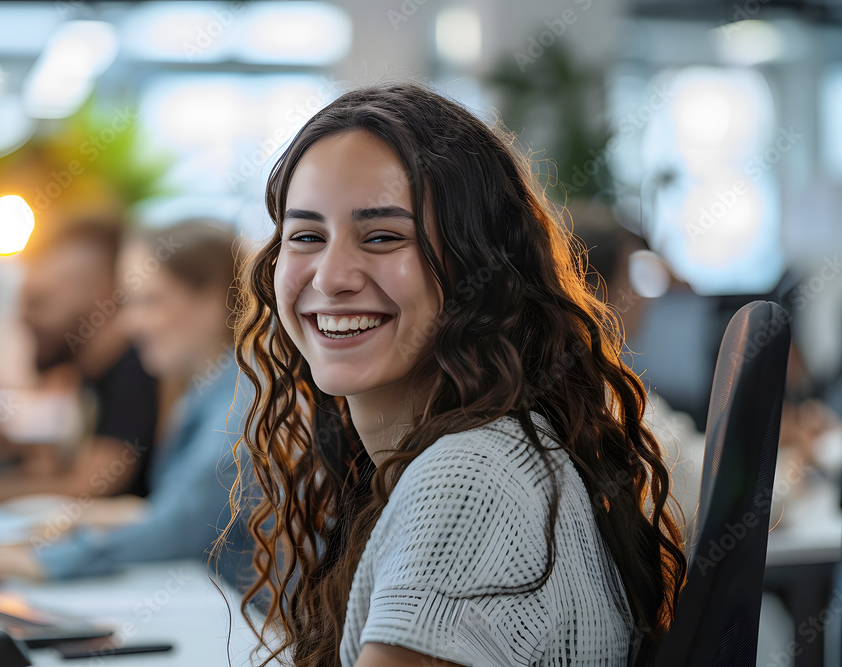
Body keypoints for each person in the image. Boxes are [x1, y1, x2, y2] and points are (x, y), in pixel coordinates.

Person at [229, 83, 687, 667]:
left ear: (480, 266)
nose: (332, 275)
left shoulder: (466, 484)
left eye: (383, 237)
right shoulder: (494, 452)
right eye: (306, 237)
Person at [0, 220, 254, 586]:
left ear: (212, 299)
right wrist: (83, 520)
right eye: (129, 303)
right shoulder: (208, 392)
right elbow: (186, 507)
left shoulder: (241, 403)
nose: (131, 324)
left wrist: (44, 561)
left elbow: (181, 527)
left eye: (151, 301)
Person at [0, 221, 159, 501]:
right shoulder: (96, 379)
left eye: (39, 302)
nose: (22, 317)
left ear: (101, 294)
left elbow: (84, 488)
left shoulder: (137, 371)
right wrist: (12, 449)